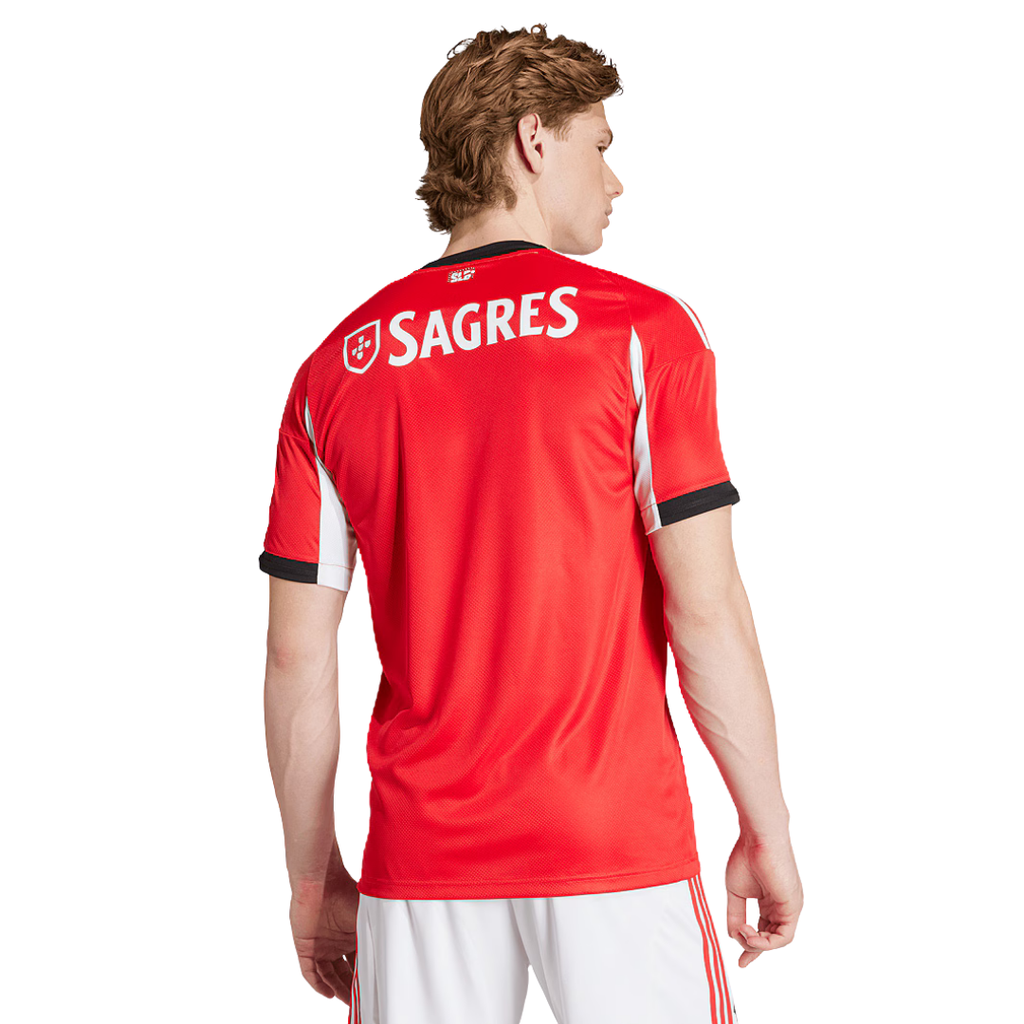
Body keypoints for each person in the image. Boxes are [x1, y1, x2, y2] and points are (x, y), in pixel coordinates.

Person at [259, 22, 802, 1024]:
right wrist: (765, 825)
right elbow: (706, 606)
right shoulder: (642, 332)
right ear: (533, 140)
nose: (616, 180)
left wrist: (310, 876)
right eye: (600, 144)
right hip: (612, 844)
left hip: (420, 859)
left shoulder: (333, 371)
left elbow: (297, 657)